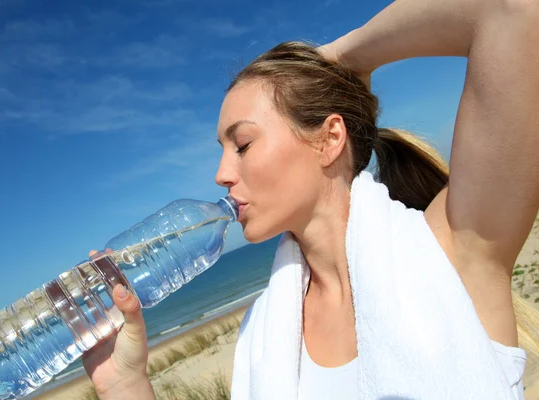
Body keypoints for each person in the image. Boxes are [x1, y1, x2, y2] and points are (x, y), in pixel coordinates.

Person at [82, 0, 539, 398]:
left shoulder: (454, 250)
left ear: (329, 139)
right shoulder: (263, 333)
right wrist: (125, 386)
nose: (221, 175)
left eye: (242, 145)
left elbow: (514, 9)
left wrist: (342, 57)